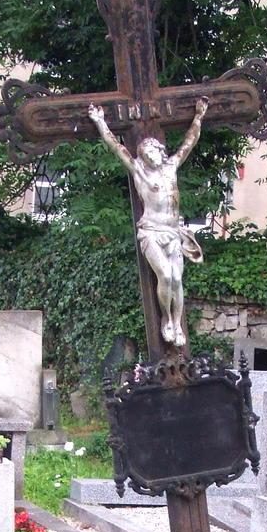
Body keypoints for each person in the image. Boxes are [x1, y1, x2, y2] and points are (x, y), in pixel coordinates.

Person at [88, 97, 209, 347]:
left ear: (161, 152)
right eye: (147, 153)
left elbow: (189, 142)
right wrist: (100, 121)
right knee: (165, 275)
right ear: (142, 157)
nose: (153, 155)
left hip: (172, 232)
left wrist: (198, 116)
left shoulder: (171, 167)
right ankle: (166, 318)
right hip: (151, 231)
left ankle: (177, 323)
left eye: (155, 151)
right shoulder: (139, 171)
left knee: (177, 279)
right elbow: (116, 147)